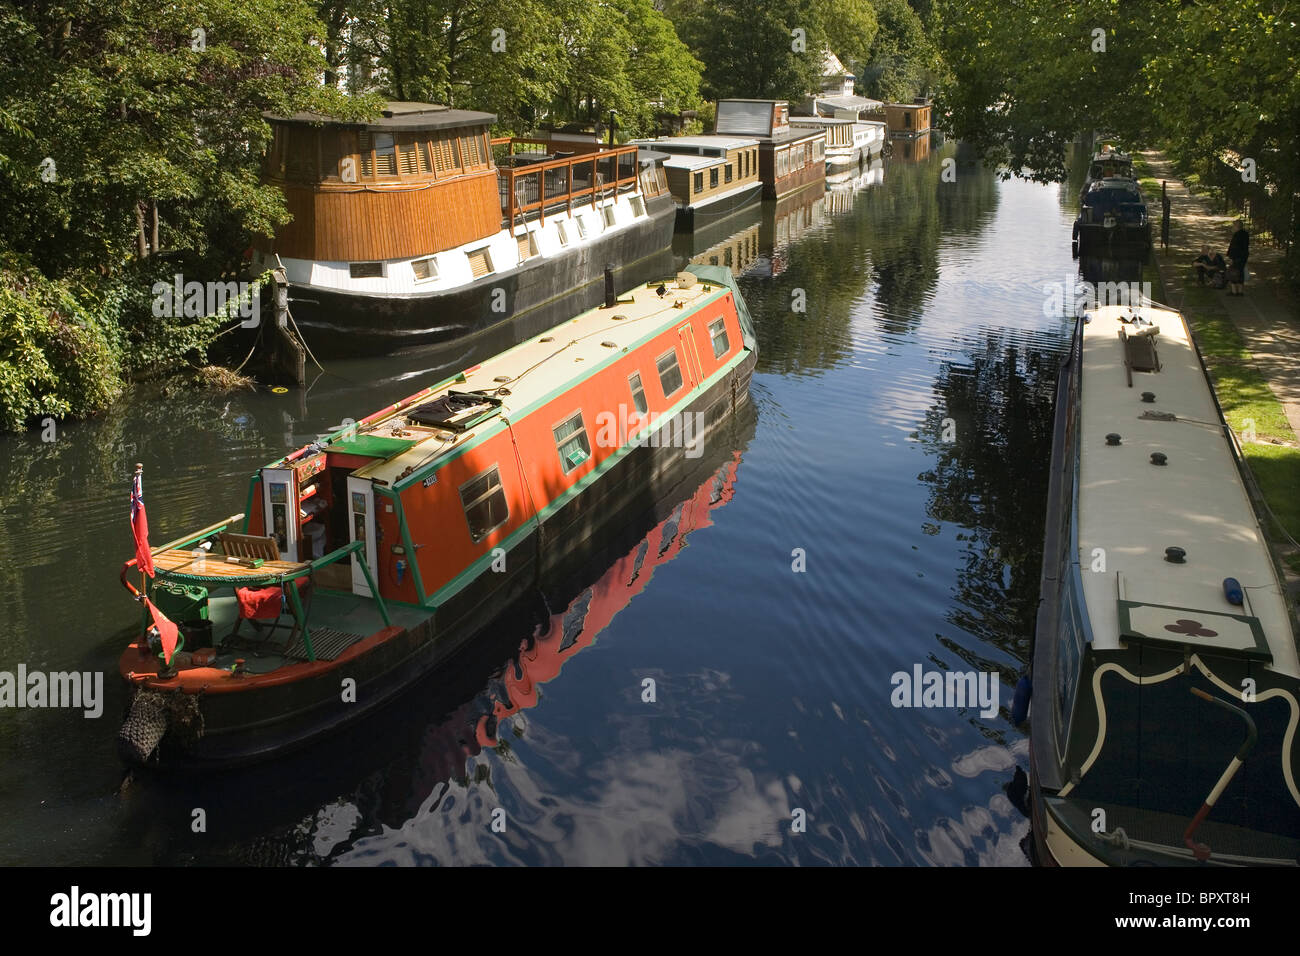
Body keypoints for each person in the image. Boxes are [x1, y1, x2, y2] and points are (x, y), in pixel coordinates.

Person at [1227, 219, 1250, 295]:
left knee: (1233, 272)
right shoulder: (1245, 234)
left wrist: (1231, 257)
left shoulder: (1237, 235)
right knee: (1241, 273)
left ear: (1237, 226)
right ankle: (1240, 291)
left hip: (1237, 257)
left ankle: (1234, 291)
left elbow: (1234, 248)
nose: (1232, 227)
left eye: (1234, 226)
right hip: (1243, 256)